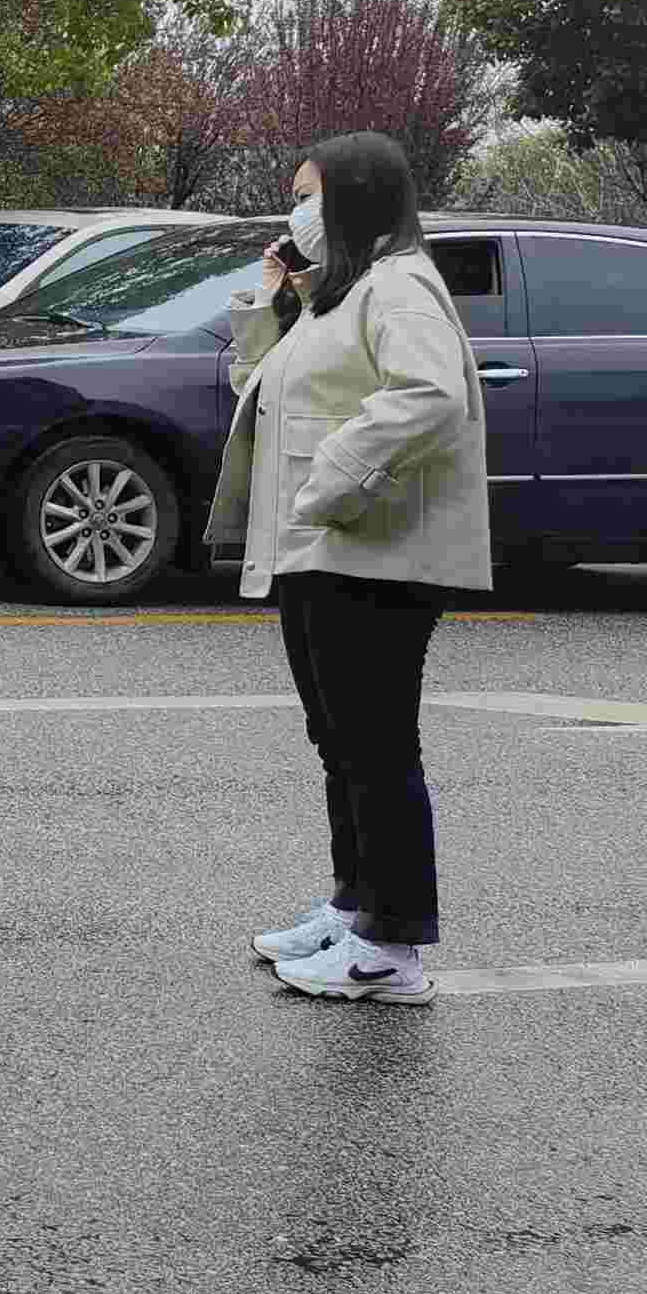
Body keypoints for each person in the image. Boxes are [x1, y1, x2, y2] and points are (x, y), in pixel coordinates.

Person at [214, 130, 488, 1007]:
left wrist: (334, 477)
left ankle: (393, 948)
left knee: (375, 747)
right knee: (341, 743)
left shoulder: (400, 285)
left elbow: (431, 395)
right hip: (324, 547)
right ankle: (353, 908)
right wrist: (275, 304)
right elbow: (264, 392)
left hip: (372, 552)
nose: (296, 211)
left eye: (309, 195)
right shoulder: (347, 291)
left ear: (356, 196)